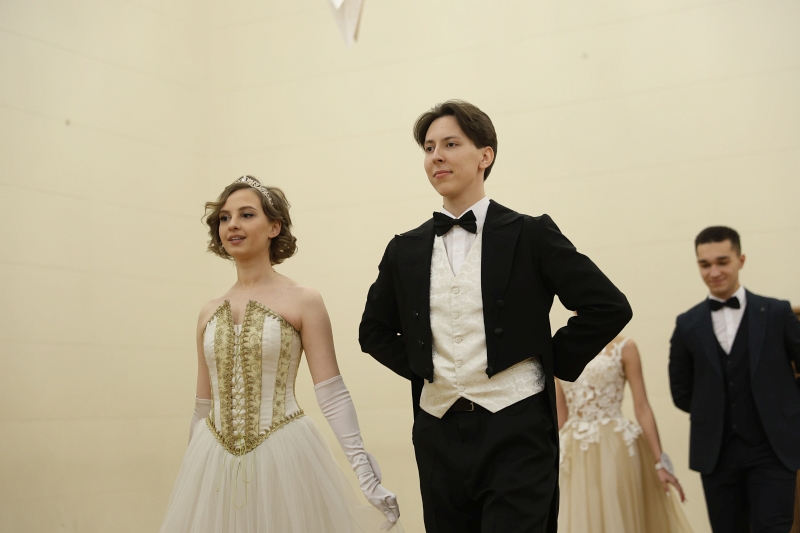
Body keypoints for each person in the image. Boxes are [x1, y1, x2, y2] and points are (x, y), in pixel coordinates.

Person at [358, 100, 632, 532]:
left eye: (450, 144)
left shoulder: (530, 233)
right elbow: (372, 331)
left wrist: (548, 360)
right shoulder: (404, 249)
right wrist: (426, 367)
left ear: (485, 155)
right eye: (429, 148)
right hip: (437, 434)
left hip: (517, 430)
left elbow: (608, 306)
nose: (437, 156)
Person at [160, 176, 403, 532]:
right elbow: (202, 406)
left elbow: (332, 393)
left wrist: (365, 475)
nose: (232, 225)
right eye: (225, 218)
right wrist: (192, 481)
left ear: (274, 227)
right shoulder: (207, 311)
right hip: (213, 459)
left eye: (246, 215)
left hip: (284, 454)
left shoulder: (304, 300)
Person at [669, 226, 800, 533]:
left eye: (722, 261)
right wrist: (713, 412)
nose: (714, 272)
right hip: (717, 455)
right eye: (705, 264)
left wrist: (788, 406)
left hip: (773, 449)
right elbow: (681, 390)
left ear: (741, 260)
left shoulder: (777, 312)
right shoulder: (687, 324)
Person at [556, 335, 693, 532]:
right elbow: (561, 415)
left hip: (615, 448)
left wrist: (660, 463)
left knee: (617, 513)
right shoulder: (560, 349)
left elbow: (642, 407)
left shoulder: (624, 346)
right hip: (573, 451)